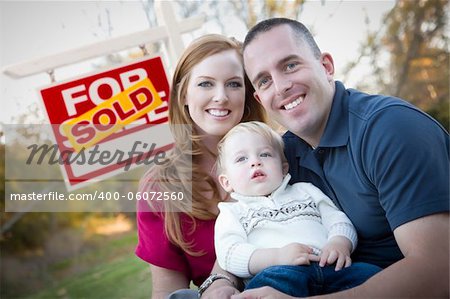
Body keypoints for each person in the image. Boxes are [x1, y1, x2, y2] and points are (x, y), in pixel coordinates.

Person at [230, 17, 449, 298]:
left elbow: (439, 271)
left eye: (290, 65)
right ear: (260, 98)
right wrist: (221, 280)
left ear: (326, 66)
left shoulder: (390, 129)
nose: (281, 86)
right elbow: (243, 216)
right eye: (264, 80)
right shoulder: (282, 157)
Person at [135, 34, 266, 299]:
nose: (221, 97)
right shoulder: (159, 188)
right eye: (206, 84)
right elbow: (168, 292)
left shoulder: (279, 154)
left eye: (233, 84)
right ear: (183, 94)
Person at [214, 121, 381, 297]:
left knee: (371, 275)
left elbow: (337, 219)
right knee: (262, 288)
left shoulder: (306, 190)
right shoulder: (232, 212)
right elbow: (230, 253)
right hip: (279, 273)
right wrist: (277, 257)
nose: (255, 162)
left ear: (284, 168)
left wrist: (340, 242)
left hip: (330, 266)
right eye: (242, 159)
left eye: (265, 154)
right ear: (226, 182)